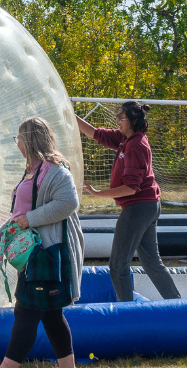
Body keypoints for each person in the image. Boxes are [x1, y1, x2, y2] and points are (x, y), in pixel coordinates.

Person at [0, 117, 86, 368]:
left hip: (45, 253)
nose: (18, 144)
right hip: (33, 254)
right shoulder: (32, 171)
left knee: (25, 312)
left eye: (19, 138)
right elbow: (19, 214)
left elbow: (69, 203)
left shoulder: (55, 171)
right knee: (51, 316)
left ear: (30, 140)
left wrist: (31, 219)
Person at [77, 101, 179, 302]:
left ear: (133, 121)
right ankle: (177, 303)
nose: (117, 121)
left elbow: (131, 188)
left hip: (139, 207)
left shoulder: (135, 145)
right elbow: (93, 132)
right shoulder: (126, 139)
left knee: (117, 264)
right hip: (148, 205)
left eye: (121, 118)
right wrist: (69, 115)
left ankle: (126, 310)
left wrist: (98, 193)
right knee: (151, 262)